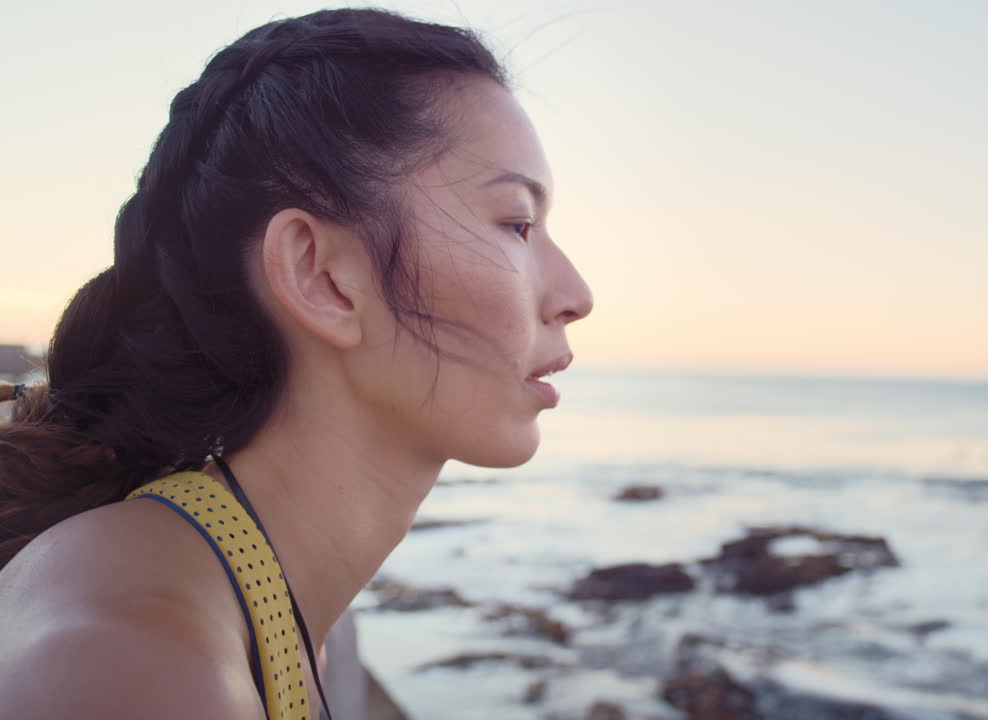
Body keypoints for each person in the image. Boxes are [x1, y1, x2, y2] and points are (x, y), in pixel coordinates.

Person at [0, 8, 592, 719]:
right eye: (517, 225)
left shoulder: (244, 604)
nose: (575, 296)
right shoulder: (135, 667)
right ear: (321, 276)